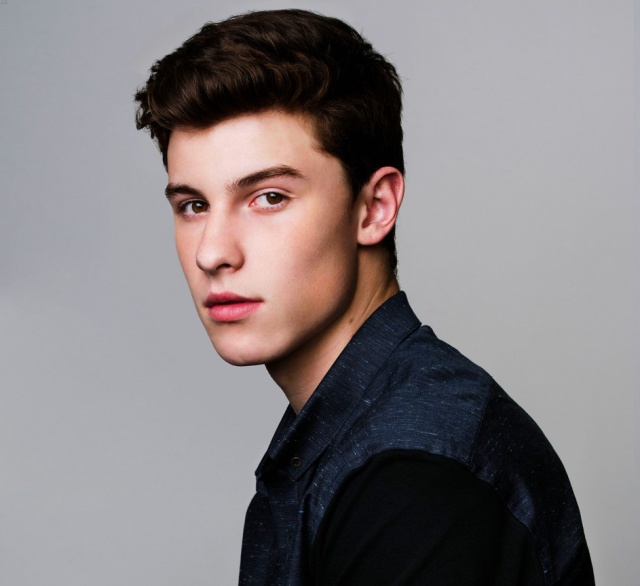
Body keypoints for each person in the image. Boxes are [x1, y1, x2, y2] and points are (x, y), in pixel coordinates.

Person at [134, 9, 594, 585]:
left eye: (269, 197)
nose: (212, 252)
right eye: (193, 206)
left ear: (375, 207)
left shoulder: (416, 486)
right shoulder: (355, 442)